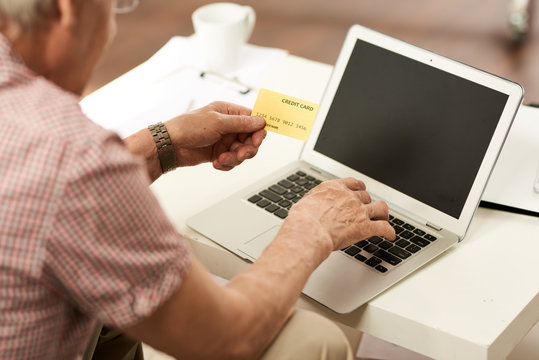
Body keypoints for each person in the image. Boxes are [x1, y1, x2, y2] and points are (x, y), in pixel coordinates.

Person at [0, 0, 396, 359]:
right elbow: (226, 337)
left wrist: (161, 145)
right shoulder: (70, 154)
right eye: (115, 6)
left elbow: (40, 188)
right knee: (312, 338)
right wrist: (312, 230)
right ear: (68, 8)